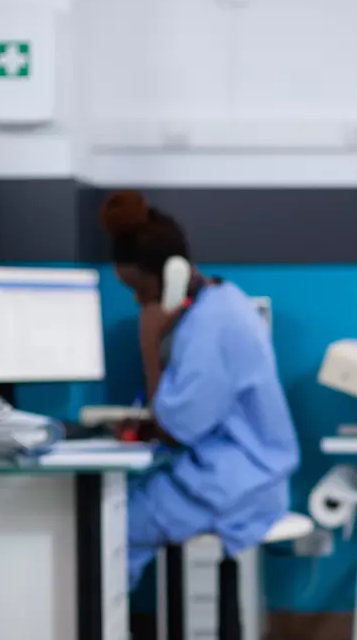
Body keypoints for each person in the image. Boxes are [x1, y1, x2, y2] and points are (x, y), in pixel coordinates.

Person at [99, 190, 301, 588]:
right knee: (119, 506)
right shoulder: (219, 304)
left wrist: (149, 343)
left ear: (172, 275)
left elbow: (177, 428)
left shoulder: (211, 325)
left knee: (107, 527)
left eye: (141, 290)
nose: (140, 302)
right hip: (236, 474)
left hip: (241, 484)